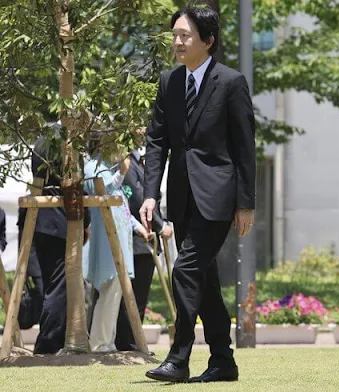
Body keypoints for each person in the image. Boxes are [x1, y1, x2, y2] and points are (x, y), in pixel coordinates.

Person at [141, 6, 256, 383]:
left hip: (219, 198)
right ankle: (223, 361)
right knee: (204, 280)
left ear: (208, 41)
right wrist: (150, 194)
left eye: (185, 35)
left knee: (186, 269)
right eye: (174, 34)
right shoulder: (168, 82)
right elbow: (156, 142)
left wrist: (245, 203)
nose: (177, 41)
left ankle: (178, 358)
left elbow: (244, 147)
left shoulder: (231, 82)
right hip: (182, 197)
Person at [19, 134, 91, 354]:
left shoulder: (41, 143)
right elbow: (75, 186)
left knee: (51, 287)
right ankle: (48, 343)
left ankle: (51, 340)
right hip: (61, 224)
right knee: (58, 289)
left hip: (38, 223)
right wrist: (85, 221)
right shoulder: (67, 143)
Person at [83, 141, 150, 353]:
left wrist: (138, 227)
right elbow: (102, 194)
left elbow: (122, 208)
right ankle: (100, 343)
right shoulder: (93, 167)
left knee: (114, 292)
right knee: (108, 289)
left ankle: (107, 341)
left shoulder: (107, 168)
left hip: (120, 242)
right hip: (106, 242)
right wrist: (121, 173)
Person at [115, 144, 173, 352]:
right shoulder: (128, 162)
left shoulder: (139, 160)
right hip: (137, 238)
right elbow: (138, 196)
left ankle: (133, 341)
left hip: (144, 238)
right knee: (133, 295)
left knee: (139, 295)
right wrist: (160, 224)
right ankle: (128, 343)